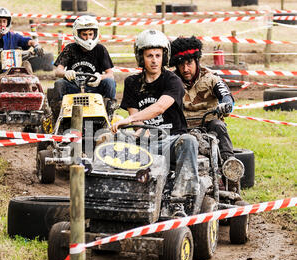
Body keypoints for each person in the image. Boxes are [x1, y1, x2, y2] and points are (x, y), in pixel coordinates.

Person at [111, 29, 199, 200]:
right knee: (108, 140)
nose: (154, 61)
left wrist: (129, 120)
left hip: (171, 139)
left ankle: (182, 193)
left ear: (164, 57)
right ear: (141, 57)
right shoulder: (132, 83)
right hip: (146, 141)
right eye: (149, 55)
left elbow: (159, 107)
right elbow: (136, 121)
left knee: (189, 141)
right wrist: (137, 130)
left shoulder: (173, 81)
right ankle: (116, 192)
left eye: (158, 56)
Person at [169, 36, 235, 162]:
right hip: (180, 127)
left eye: (189, 63)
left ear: (197, 61)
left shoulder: (211, 78)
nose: (185, 69)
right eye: (181, 64)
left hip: (208, 124)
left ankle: (230, 165)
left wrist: (226, 104)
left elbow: (226, 95)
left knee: (219, 125)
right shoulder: (170, 81)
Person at [50, 15, 117, 120]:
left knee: (110, 82)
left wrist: (100, 77)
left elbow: (110, 74)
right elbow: (57, 71)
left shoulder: (100, 49)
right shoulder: (70, 49)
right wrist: (66, 73)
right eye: (84, 34)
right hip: (74, 87)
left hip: (94, 87)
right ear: (78, 34)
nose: (88, 38)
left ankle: (108, 114)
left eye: (90, 34)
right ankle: (59, 116)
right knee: (59, 84)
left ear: (95, 34)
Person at [0, 7, 44, 91]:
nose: (2, 24)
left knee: (26, 63)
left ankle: (32, 86)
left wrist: (36, 46)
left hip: (16, 71)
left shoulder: (14, 37)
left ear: (8, 23)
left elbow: (29, 41)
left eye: (4, 21)